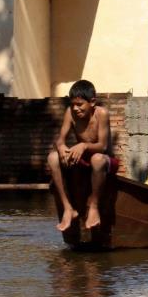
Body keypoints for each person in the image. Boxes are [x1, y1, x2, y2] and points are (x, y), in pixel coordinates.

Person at [48, 80, 115, 231]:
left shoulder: (101, 114)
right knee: (52, 157)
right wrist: (61, 146)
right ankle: (68, 208)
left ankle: (94, 207)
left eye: (79, 104)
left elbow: (103, 146)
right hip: (83, 159)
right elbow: (60, 140)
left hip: (103, 159)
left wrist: (83, 145)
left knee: (97, 159)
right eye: (73, 104)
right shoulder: (70, 112)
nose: (75, 108)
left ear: (92, 102)